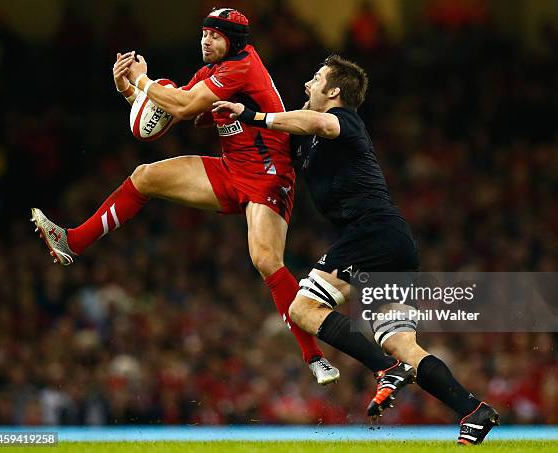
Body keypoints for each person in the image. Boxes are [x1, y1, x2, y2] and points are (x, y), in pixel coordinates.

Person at [30, 7, 340, 385]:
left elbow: (183, 105)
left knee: (265, 260)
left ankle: (314, 357)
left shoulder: (241, 66)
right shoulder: (212, 73)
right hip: (230, 169)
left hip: (268, 175)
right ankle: (73, 242)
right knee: (145, 177)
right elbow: (163, 116)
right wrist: (126, 87)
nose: (205, 41)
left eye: (215, 35)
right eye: (203, 34)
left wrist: (143, 79)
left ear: (234, 41)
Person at [213, 55, 499, 444]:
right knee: (403, 344)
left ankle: (385, 370)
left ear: (334, 91)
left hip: (371, 235)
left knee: (302, 308)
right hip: (393, 243)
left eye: (316, 78)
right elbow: (285, 138)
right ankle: (474, 410)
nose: (307, 84)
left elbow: (316, 120)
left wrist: (253, 115)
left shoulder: (343, 121)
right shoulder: (308, 139)